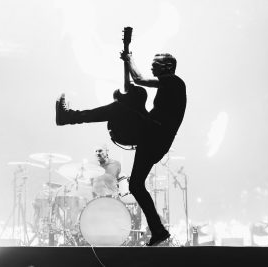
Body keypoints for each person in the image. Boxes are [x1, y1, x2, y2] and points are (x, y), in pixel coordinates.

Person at [56, 52, 186, 246]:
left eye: (155, 64)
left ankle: (68, 117)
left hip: (154, 134)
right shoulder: (170, 84)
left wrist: (129, 59)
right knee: (135, 185)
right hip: (153, 138)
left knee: (119, 107)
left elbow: (139, 79)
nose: (152, 67)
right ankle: (158, 231)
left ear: (167, 67)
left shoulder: (175, 82)